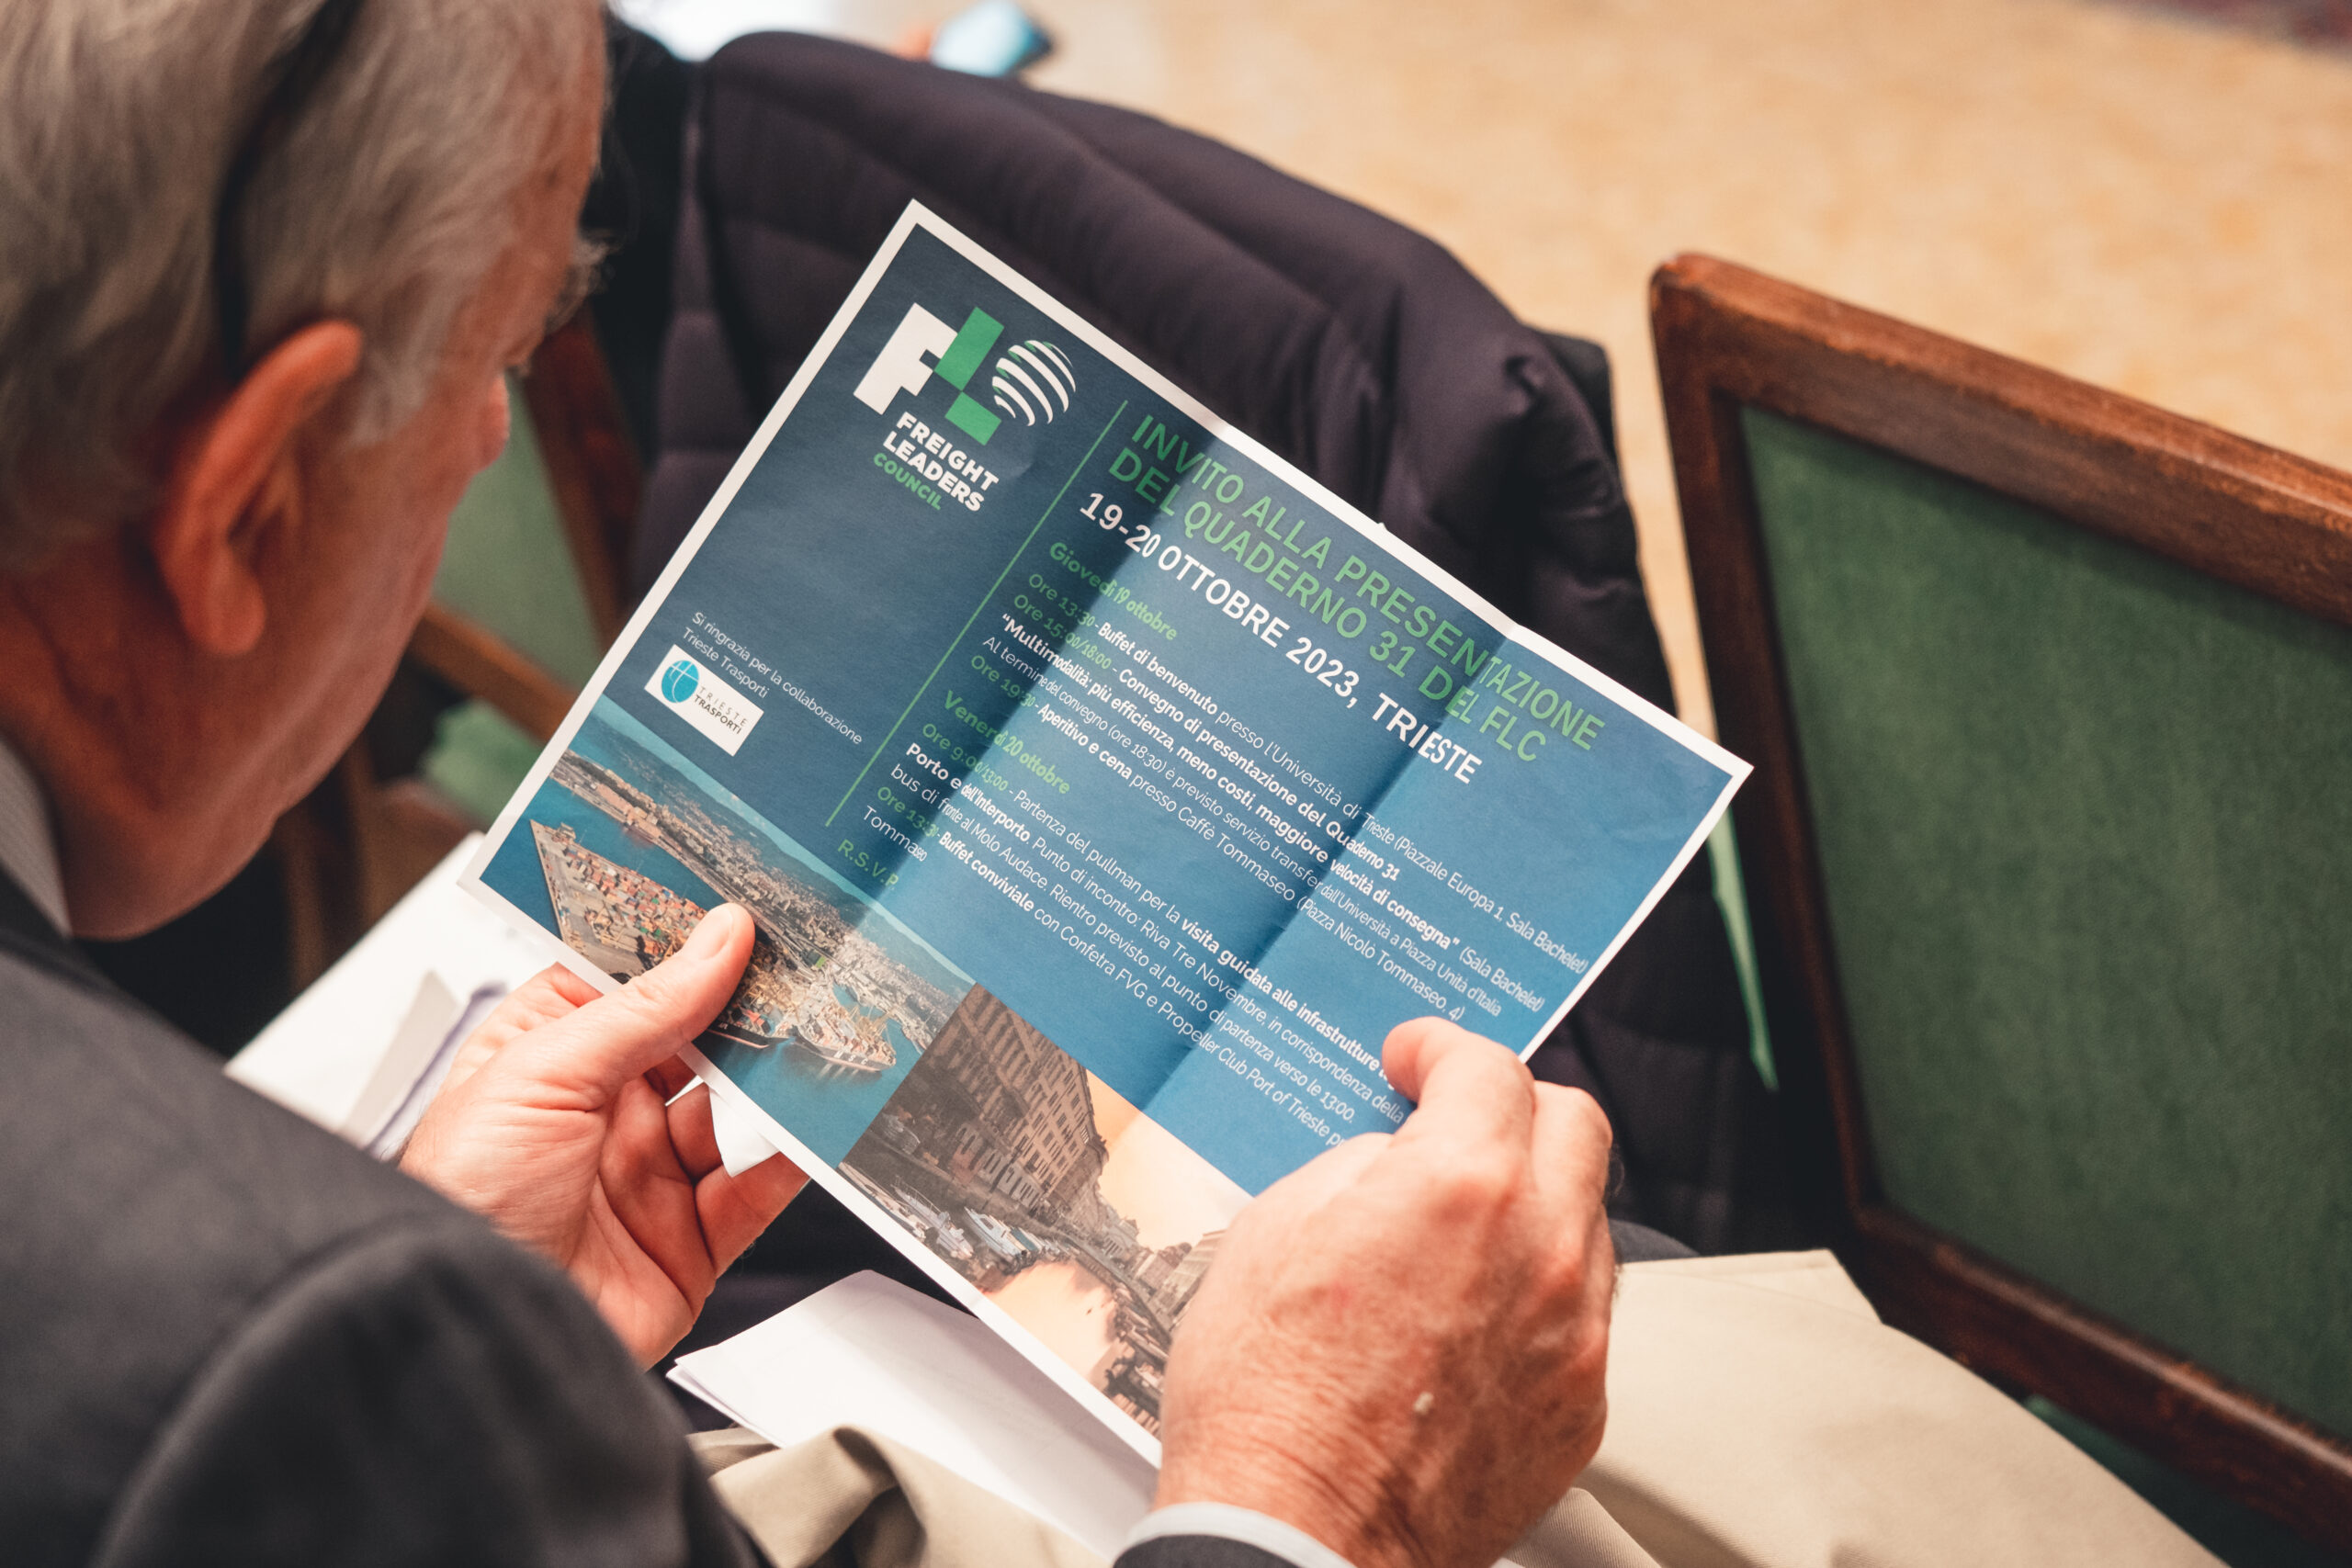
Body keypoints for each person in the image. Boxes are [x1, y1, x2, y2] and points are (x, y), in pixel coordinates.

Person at [0, 4, 1615, 1565]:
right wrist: (1310, 1507)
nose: (495, 438)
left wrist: (489, 1326)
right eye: (496, 365)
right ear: (247, 505)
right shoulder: (286, 1350)